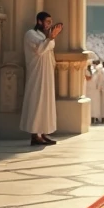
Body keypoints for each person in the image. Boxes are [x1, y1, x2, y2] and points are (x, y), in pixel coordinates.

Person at [20, 12, 62, 146]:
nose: (50, 24)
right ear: (39, 21)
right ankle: (35, 134)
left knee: (46, 102)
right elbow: (39, 50)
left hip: (47, 72)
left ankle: (43, 133)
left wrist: (50, 38)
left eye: (51, 22)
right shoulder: (30, 34)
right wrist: (50, 38)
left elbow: (49, 50)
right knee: (36, 101)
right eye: (47, 21)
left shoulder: (45, 36)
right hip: (37, 73)